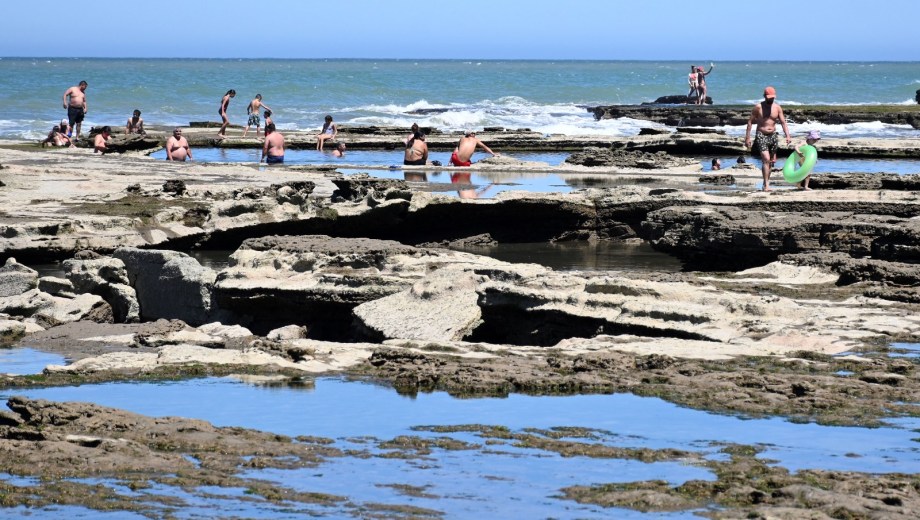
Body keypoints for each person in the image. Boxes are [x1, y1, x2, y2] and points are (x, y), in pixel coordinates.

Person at [744, 86, 791, 192]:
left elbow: (783, 122)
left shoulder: (777, 108)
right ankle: (766, 185)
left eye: (773, 97)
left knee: (771, 162)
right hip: (761, 134)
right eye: (769, 97)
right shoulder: (758, 107)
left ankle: (766, 182)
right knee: (765, 159)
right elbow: (750, 122)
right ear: (765, 96)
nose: (771, 99)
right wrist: (747, 138)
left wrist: (788, 135)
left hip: (773, 135)